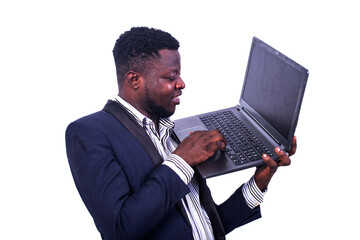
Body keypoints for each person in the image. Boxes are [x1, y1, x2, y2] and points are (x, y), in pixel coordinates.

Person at [65, 27, 296, 240]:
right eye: (170, 77)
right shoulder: (89, 133)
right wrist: (182, 159)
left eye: (180, 74)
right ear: (134, 80)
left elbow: (205, 226)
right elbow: (120, 228)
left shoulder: (170, 132)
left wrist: (259, 181)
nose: (182, 83)